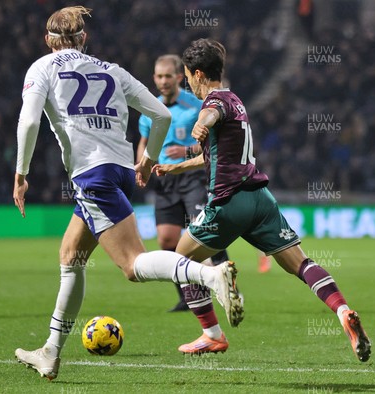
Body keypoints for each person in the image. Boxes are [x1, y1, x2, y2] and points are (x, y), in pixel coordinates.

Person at [12, 8, 242, 381]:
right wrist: (149, 160)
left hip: (92, 174)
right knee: (71, 255)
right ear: (84, 39)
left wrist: (21, 173)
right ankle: (51, 353)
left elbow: (30, 120)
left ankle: (210, 276)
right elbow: (161, 116)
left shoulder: (42, 67)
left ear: (47, 40)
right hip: (119, 171)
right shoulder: (112, 70)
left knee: (133, 266)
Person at [151, 38, 371, 362]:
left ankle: (212, 334)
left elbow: (210, 115)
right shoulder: (236, 100)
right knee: (301, 264)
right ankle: (343, 311)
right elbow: (215, 156)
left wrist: (200, 124)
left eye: (186, 77)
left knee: (178, 261)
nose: (187, 84)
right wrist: (176, 167)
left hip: (227, 202)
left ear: (197, 74)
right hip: (260, 199)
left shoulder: (215, 101)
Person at [137, 54, 230, 312]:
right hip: (164, 179)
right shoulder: (150, 109)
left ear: (179, 77)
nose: (163, 81)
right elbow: (144, 142)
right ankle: (187, 298)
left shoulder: (194, 104)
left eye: (168, 76)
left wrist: (187, 152)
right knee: (167, 241)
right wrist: (142, 168)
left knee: (204, 233)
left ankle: (229, 283)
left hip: (192, 177)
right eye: (159, 76)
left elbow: (212, 141)